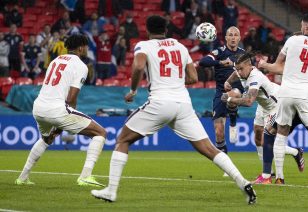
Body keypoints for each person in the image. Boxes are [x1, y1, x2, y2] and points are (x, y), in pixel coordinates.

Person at [90, 15, 257, 204]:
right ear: (166, 30)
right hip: (183, 105)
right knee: (209, 149)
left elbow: (137, 65)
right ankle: (243, 182)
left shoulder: (144, 45)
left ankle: (111, 191)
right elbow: (194, 78)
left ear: (147, 30)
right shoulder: (180, 46)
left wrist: (133, 90)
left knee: (122, 139)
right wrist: (174, 81)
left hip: (160, 102)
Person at [15, 34, 107, 187]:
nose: (86, 49)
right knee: (101, 133)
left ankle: (22, 178)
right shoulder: (81, 66)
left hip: (38, 108)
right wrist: (67, 123)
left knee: (47, 139)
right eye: (85, 46)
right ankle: (85, 176)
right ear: (80, 47)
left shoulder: (55, 61)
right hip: (57, 110)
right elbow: (71, 98)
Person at [257, 13, 308, 185]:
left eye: (302, 26)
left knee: (281, 134)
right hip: (306, 94)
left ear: (306, 27)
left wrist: (264, 66)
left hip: (285, 93)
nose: (301, 29)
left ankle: (279, 177)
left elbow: (278, 66)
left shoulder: (292, 41)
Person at [221, 51, 305, 184]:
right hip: (263, 105)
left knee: (269, 141)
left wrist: (230, 99)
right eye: (237, 69)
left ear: (249, 66)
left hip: (276, 105)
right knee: (257, 136)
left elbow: (248, 101)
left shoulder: (255, 77)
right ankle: (268, 172)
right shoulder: (242, 70)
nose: (239, 72)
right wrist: (228, 81)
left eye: (241, 69)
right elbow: (235, 74)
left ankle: (293, 153)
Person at [199, 26, 244, 159]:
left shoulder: (243, 54)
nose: (233, 37)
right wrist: (220, 62)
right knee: (218, 132)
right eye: (230, 35)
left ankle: (233, 121)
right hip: (220, 92)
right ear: (226, 38)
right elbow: (203, 61)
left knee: (232, 94)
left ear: (239, 38)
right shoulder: (219, 52)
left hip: (237, 89)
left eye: (236, 35)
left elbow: (251, 70)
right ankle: (225, 162)